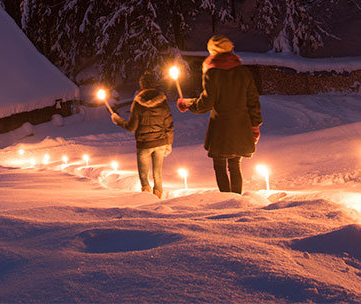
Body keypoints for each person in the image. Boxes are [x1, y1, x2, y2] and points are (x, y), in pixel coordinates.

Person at [177, 36, 261, 194]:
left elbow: (205, 104)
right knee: (235, 166)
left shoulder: (212, 73)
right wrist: (255, 125)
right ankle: (237, 200)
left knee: (220, 166)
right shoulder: (243, 72)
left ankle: (226, 201)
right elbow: (253, 101)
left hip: (221, 129)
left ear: (213, 51)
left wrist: (187, 103)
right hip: (241, 126)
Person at [111, 71, 174, 199]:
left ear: (142, 85)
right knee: (158, 173)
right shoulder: (162, 103)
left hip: (144, 144)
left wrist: (117, 119)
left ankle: (146, 199)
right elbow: (169, 126)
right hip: (160, 143)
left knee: (144, 174)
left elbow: (131, 127)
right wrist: (169, 143)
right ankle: (158, 197)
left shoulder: (138, 103)